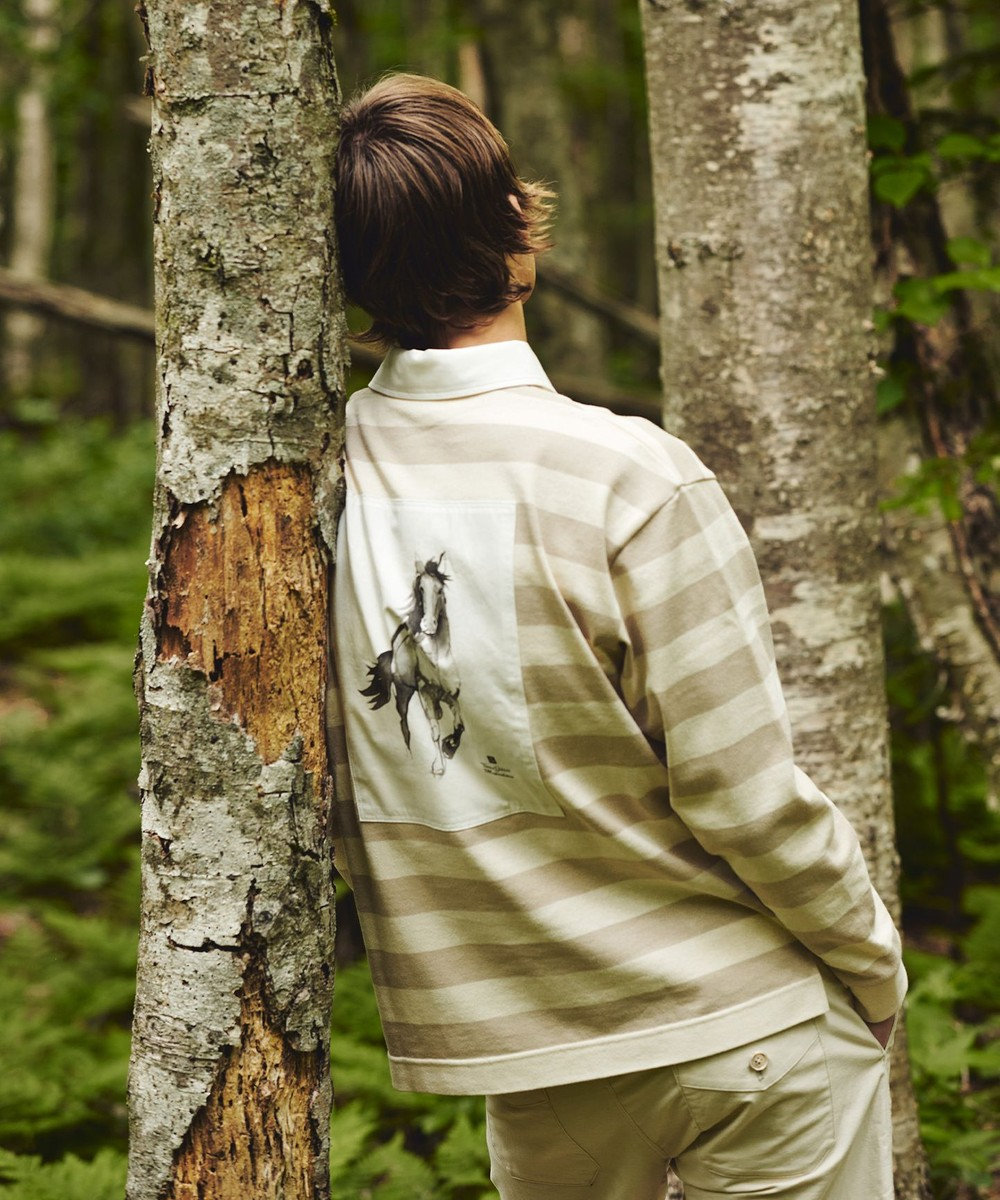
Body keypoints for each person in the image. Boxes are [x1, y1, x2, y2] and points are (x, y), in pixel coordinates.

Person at [327, 71, 907, 1200]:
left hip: (537, 1068)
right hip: (745, 1035)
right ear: (518, 239)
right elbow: (744, 794)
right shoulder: (626, 477)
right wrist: (870, 963)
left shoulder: (317, 482)